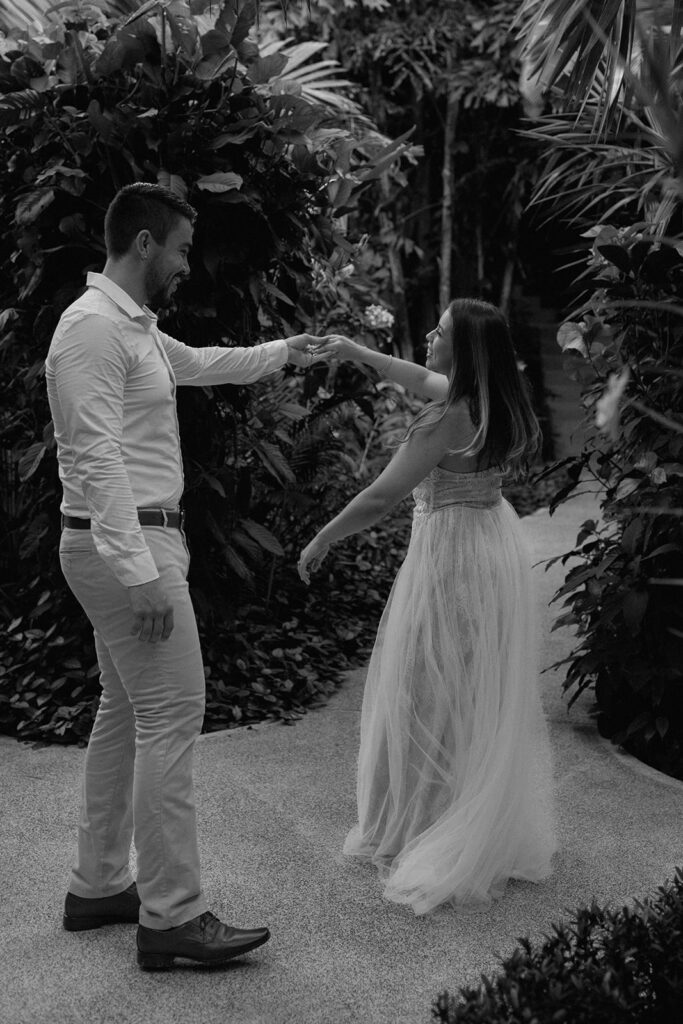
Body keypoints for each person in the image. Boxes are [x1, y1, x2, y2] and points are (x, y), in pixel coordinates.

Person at [46, 182, 326, 969]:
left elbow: (199, 364)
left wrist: (283, 352)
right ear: (143, 244)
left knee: (125, 711)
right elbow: (94, 458)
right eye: (180, 249)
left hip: (130, 543)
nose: (185, 263)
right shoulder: (91, 331)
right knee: (172, 715)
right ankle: (172, 915)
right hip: (126, 548)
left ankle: (100, 883)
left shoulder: (130, 328)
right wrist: (138, 575)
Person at [299, 299, 557, 914]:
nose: (429, 335)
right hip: (491, 544)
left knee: (423, 687)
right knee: (469, 688)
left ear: (460, 351)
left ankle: (429, 825)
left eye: (439, 331)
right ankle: (459, 811)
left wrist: (321, 538)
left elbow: (382, 496)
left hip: (451, 559)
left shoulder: (444, 420)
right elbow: (415, 377)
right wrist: (359, 353)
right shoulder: (492, 399)